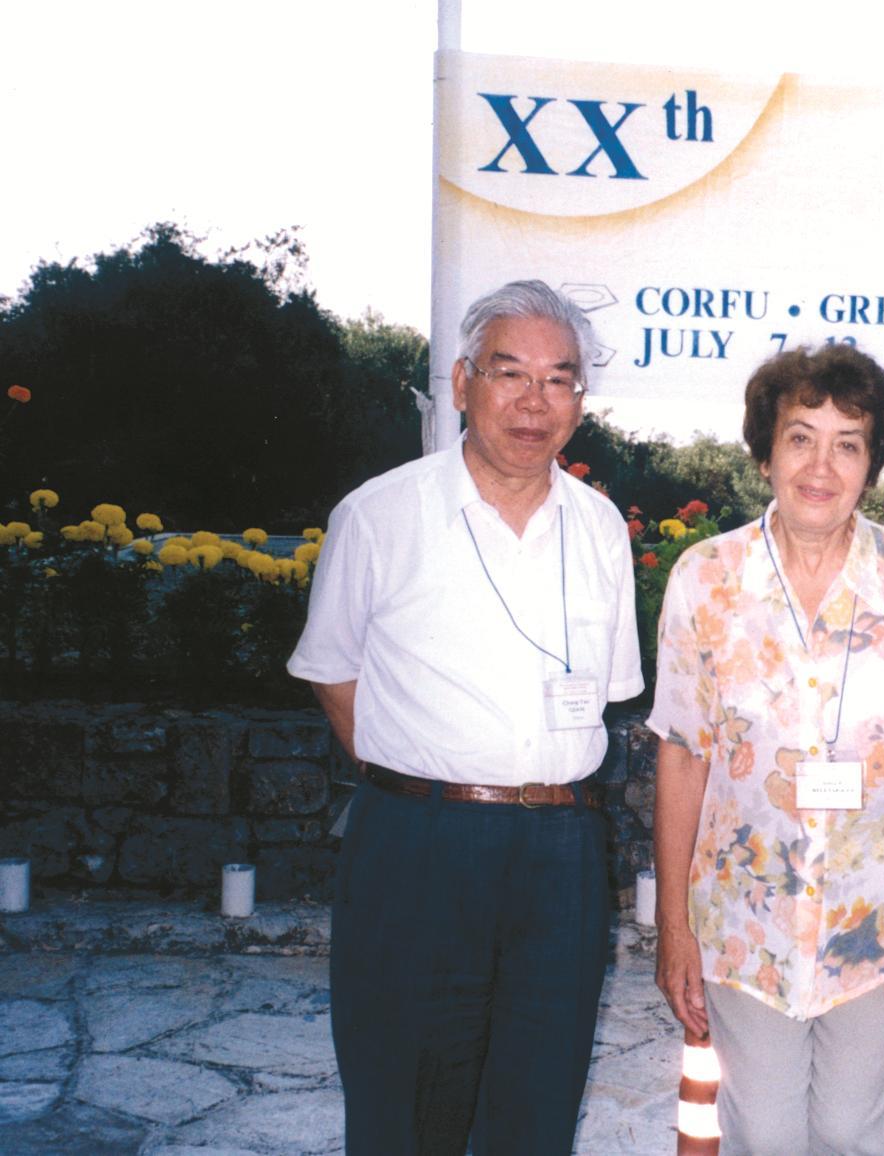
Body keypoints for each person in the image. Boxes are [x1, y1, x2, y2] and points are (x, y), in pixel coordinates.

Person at [288, 280, 642, 1154]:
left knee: (537, 1106)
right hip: (420, 843)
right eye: (509, 373)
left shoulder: (600, 528)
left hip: (562, 850)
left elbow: (606, 690)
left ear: (580, 401)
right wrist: (419, 785)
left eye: (559, 380)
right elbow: (333, 673)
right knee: (406, 1109)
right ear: (460, 382)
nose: (534, 401)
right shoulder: (381, 514)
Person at [650, 343, 884, 1155]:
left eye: (847, 444)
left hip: (882, 920)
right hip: (743, 921)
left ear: (872, 465)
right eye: (801, 438)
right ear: (766, 453)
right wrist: (674, 926)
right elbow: (683, 754)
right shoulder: (705, 578)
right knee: (762, 1136)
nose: (821, 467)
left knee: (852, 1133)